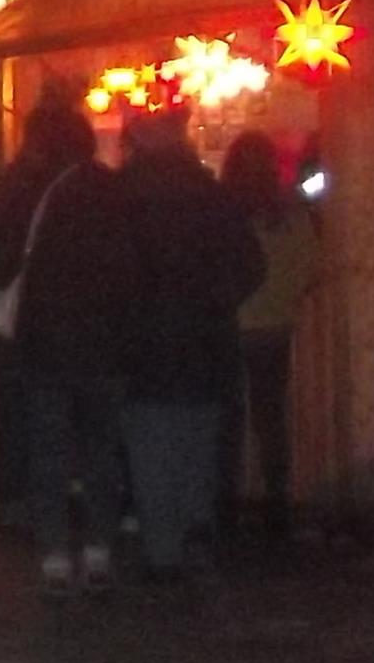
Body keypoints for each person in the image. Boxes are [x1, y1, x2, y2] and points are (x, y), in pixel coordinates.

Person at [109, 109, 265, 582]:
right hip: (205, 346)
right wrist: (215, 301)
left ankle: (162, 552)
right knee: (197, 448)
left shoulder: (120, 198)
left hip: (139, 350)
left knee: (150, 452)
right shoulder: (211, 196)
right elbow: (251, 266)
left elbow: (101, 273)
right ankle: (196, 535)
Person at [7, 109, 133, 594]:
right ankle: (99, 549)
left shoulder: (34, 194)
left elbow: (12, 263)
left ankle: (55, 554)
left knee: (50, 452)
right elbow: (131, 270)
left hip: (48, 344)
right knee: (101, 452)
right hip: (105, 343)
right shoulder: (112, 191)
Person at [0, 98, 94, 537]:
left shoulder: (9, 186)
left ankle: (14, 497)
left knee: (13, 409)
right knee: (56, 412)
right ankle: (53, 498)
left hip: (9, 313)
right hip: (60, 317)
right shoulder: (74, 189)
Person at [217, 130, 316, 548]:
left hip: (231, 326)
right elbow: (309, 265)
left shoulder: (226, 214)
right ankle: (276, 501)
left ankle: (226, 503)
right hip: (276, 326)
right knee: (270, 417)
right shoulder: (291, 212)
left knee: (229, 419)